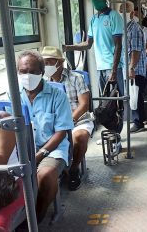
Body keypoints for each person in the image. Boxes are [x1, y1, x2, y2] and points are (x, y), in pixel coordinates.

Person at [17, 51, 74, 222]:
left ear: (42, 73)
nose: (28, 76)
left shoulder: (58, 95)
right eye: (23, 71)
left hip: (53, 149)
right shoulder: (13, 96)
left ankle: (36, 217)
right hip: (24, 148)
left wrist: (39, 154)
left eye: (33, 72)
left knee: (45, 175)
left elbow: (61, 132)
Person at [41, 46, 93, 191]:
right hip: (54, 122)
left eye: (49, 62)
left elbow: (83, 105)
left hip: (77, 119)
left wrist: (69, 121)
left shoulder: (76, 78)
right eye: (44, 63)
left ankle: (74, 169)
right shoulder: (43, 82)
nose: (46, 66)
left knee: (80, 138)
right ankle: (57, 170)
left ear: (60, 63)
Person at [63, 0, 124, 97]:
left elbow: (118, 44)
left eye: (98, 0)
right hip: (100, 66)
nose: (96, 3)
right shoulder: (94, 19)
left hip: (113, 66)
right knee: (104, 100)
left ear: (105, 0)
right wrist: (68, 47)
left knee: (118, 98)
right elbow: (88, 44)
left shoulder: (114, 16)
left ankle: (123, 113)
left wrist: (114, 69)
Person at [119, 1, 147, 133]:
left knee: (136, 95)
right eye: (120, 10)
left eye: (124, 10)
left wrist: (131, 68)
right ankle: (139, 120)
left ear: (131, 13)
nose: (121, 12)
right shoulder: (124, 29)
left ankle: (138, 122)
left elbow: (136, 51)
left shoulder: (134, 29)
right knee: (134, 95)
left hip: (135, 69)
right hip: (129, 68)